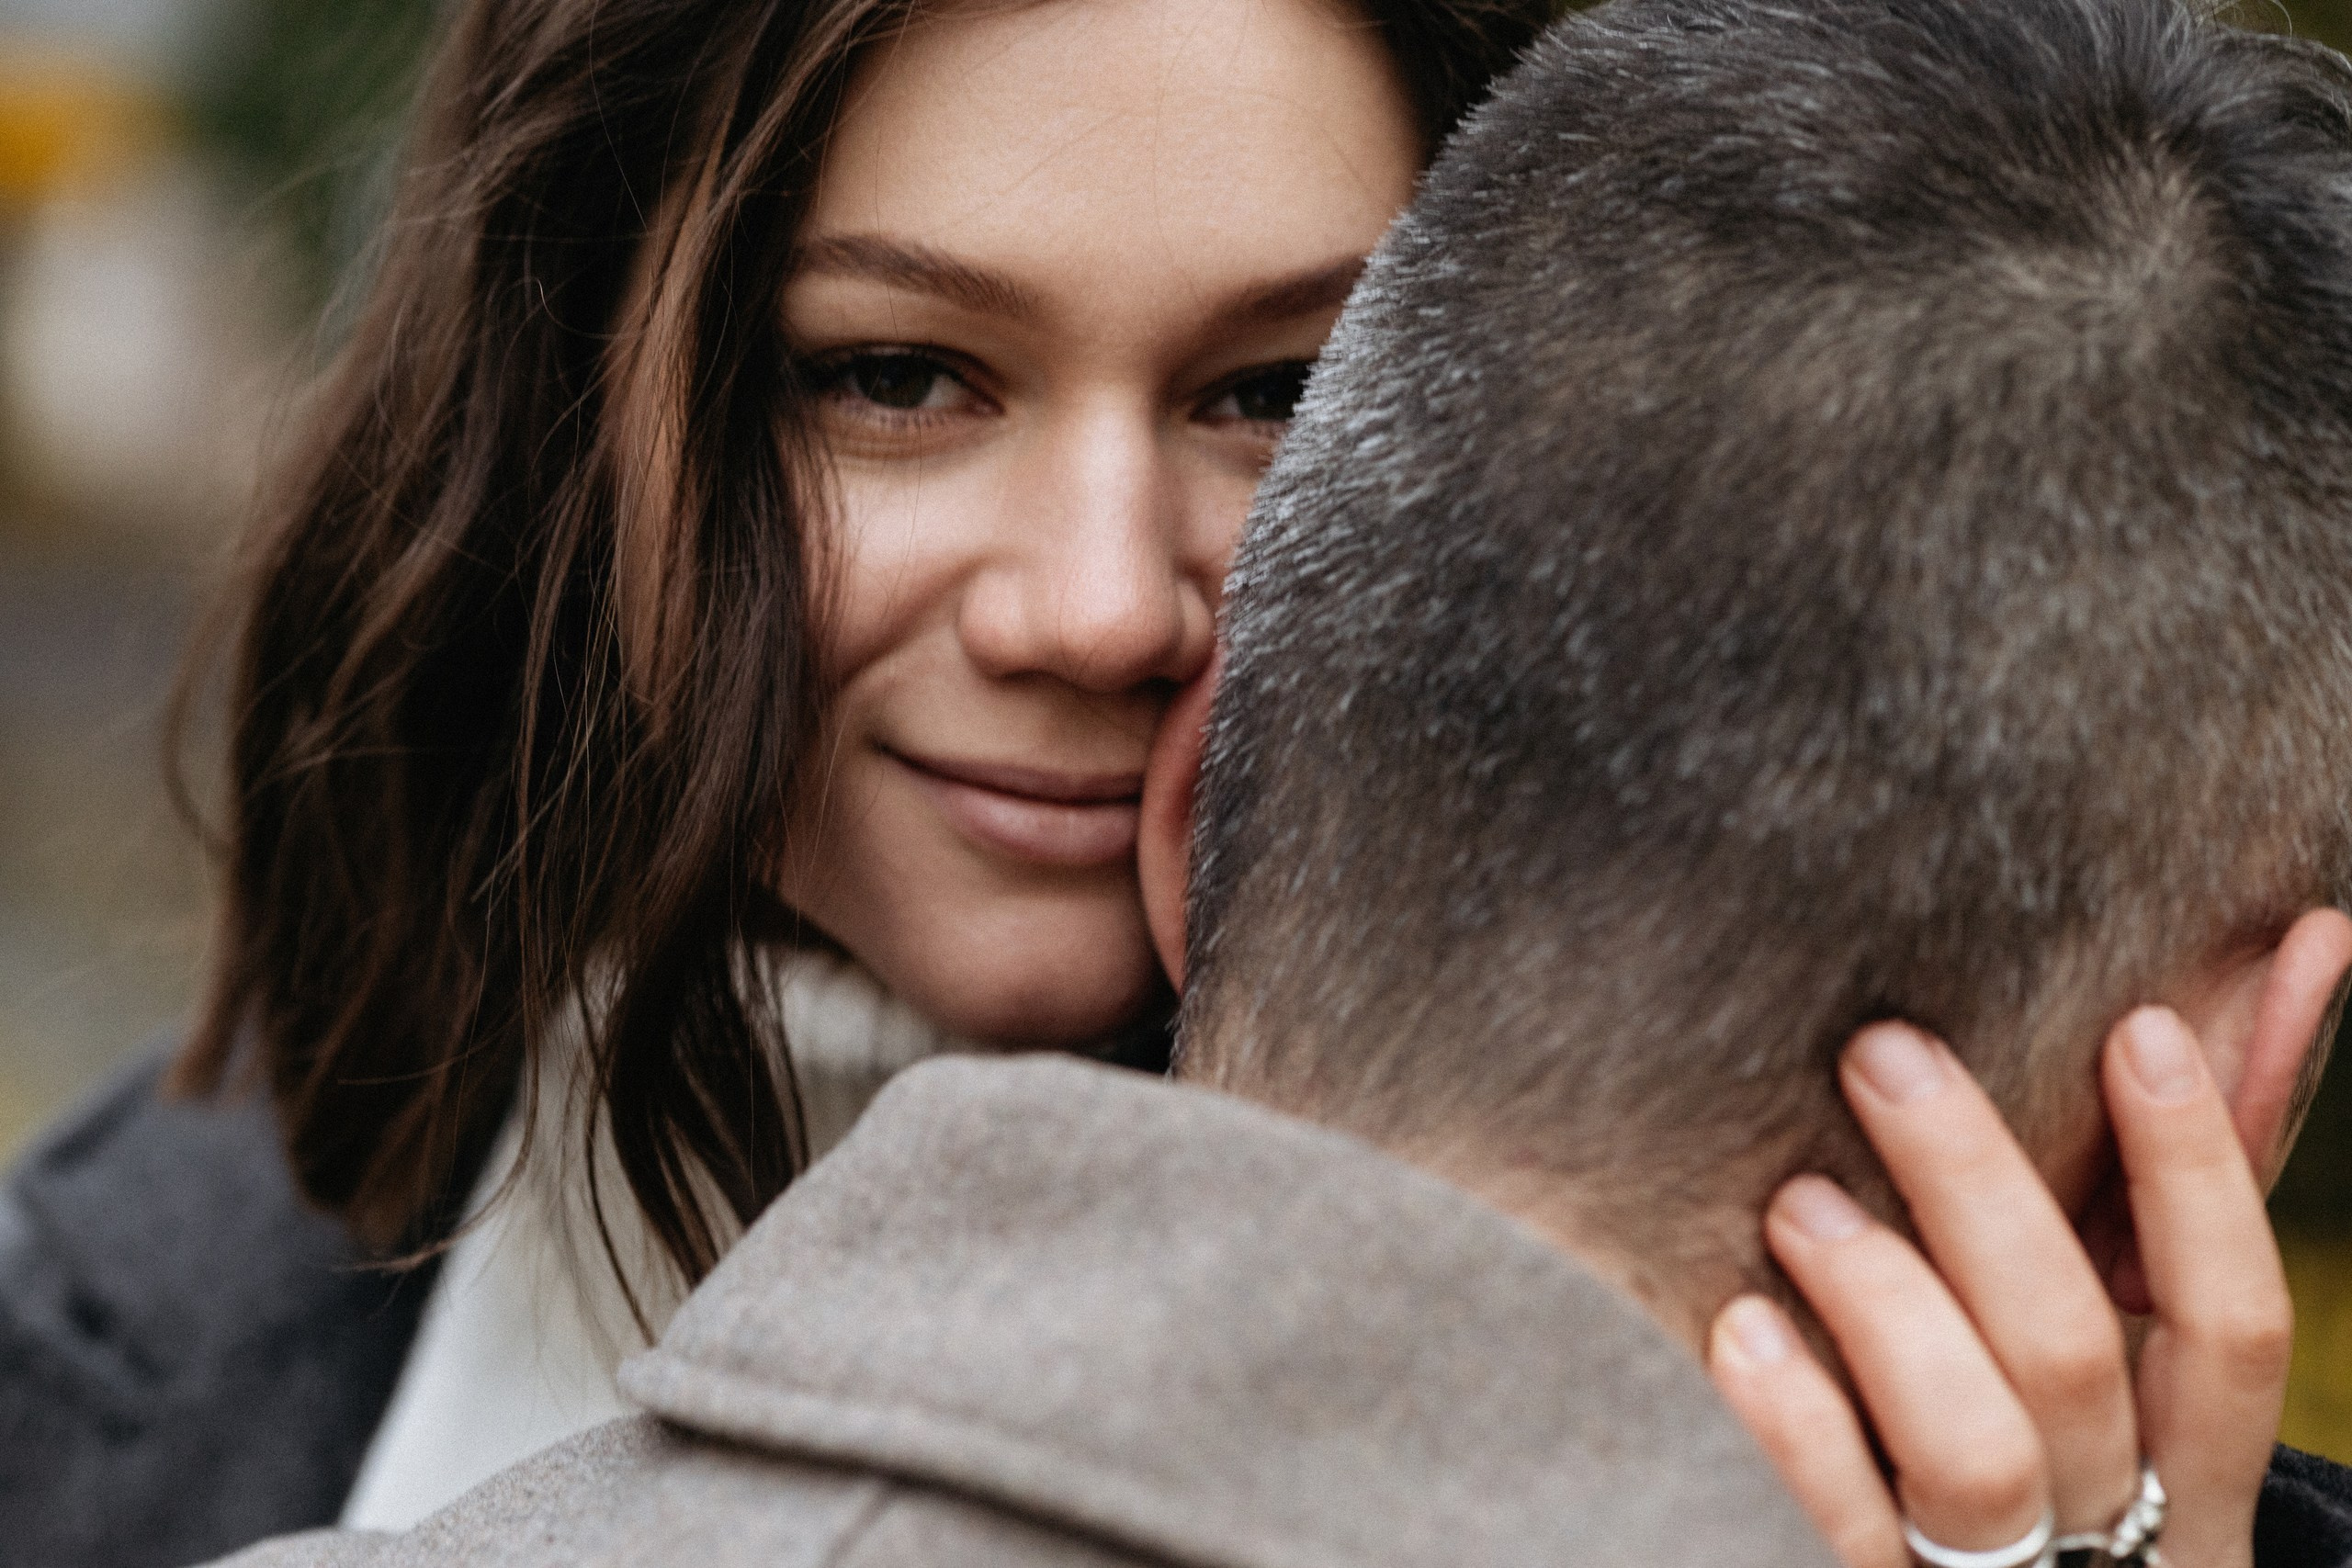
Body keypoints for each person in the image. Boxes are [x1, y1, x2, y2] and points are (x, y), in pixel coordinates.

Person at [196, 0, 2352, 1562]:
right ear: (579, 413)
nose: (1100, 604)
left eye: (1270, 390)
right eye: (893, 377)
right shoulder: (116, 1338)